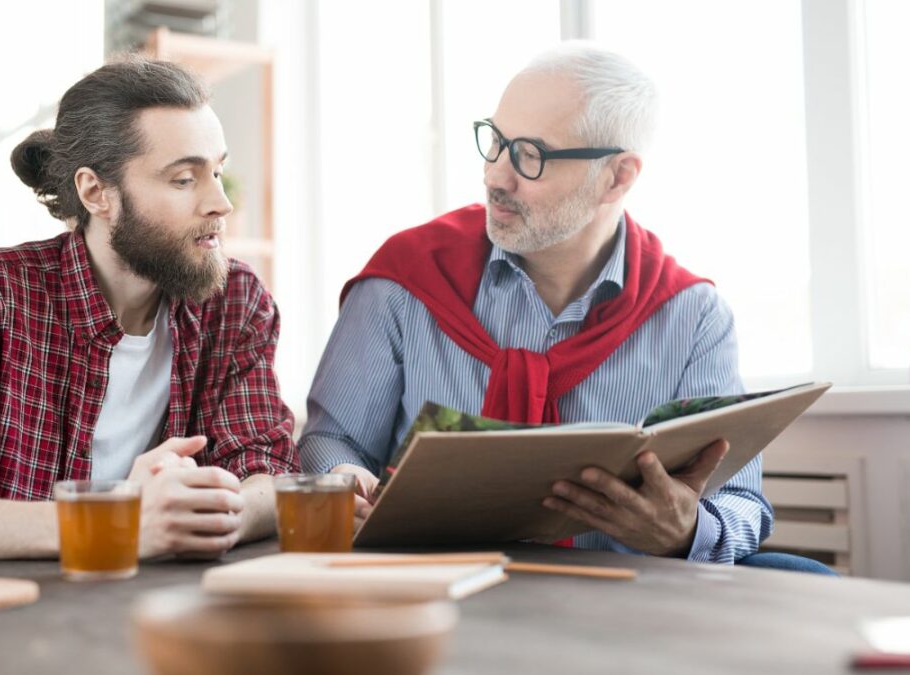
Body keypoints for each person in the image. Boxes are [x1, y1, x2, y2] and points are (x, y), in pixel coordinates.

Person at [299, 42, 774, 564]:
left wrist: (686, 532)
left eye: (531, 156)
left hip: (626, 606)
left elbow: (742, 502)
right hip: (432, 588)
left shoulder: (693, 316)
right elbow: (331, 439)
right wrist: (344, 480)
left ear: (618, 177)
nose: (496, 176)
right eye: (496, 142)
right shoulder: (403, 281)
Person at [0, 58, 297, 559]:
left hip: (166, 611)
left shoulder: (235, 300)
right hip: (7, 622)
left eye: (218, 171)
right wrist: (119, 520)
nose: (220, 203)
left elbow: (270, 475)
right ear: (95, 192)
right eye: (184, 179)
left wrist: (217, 509)